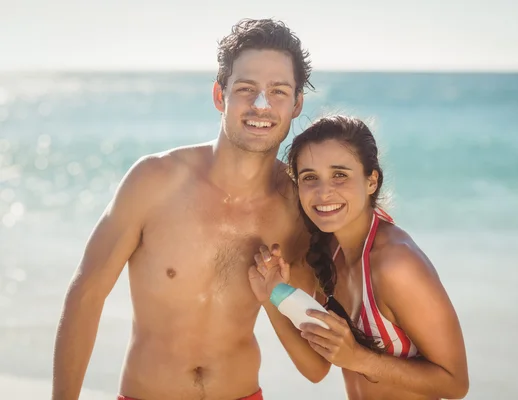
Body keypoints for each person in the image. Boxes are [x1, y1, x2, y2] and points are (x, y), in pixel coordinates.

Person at [52, 18, 317, 400]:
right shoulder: (154, 180)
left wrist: (274, 295)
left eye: (278, 91)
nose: (262, 104)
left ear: (296, 105)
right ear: (219, 96)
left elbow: (314, 362)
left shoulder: (297, 208)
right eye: (246, 88)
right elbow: (86, 296)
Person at [249, 115, 469, 399]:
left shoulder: (395, 265)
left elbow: (455, 384)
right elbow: (316, 369)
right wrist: (272, 295)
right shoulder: (328, 251)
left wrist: (359, 359)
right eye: (310, 178)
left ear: (371, 181)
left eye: (340, 175)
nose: (323, 192)